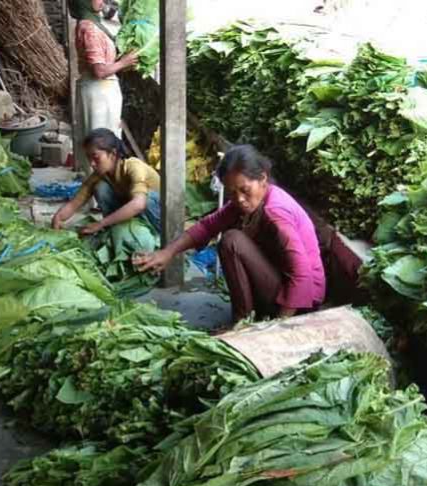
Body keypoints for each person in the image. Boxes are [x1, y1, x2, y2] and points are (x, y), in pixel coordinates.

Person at [133, 145, 326, 323]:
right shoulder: (245, 203)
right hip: (280, 286)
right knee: (232, 238)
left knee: (232, 241)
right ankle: (247, 317)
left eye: (245, 190)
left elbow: (301, 274)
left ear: (263, 178)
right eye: (232, 193)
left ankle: (242, 321)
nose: (240, 199)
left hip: (302, 301)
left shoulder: (276, 212)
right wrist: (167, 252)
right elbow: (207, 226)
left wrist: (279, 325)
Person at [53, 129, 161, 270]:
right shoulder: (101, 174)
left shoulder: (134, 167)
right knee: (100, 187)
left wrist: (101, 224)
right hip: (134, 216)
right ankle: (116, 230)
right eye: (89, 158)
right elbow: (76, 202)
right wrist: (58, 218)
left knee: (147, 198)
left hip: (158, 217)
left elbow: (139, 205)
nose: (92, 163)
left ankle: (159, 240)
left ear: (113, 154)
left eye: (96, 157)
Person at [70, 0, 139, 172]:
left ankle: (101, 190)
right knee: (101, 146)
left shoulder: (93, 23)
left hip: (99, 91)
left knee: (101, 143)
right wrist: (123, 62)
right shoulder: (90, 29)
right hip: (99, 93)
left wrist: (121, 62)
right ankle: (100, 193)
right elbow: (99, 71)